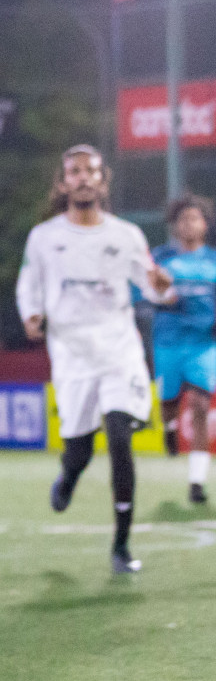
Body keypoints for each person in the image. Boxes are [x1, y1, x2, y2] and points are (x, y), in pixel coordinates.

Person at [16, 145, 171, 574]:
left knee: (120, 437)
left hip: (118, 350)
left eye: (91, 171)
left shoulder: (126, 235)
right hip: (71, 354)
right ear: (63, 183)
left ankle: (121, 545)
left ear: (103, 181)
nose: (83, 177)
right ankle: (68, 477)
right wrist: (31, 315)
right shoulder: (45, 237)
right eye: (74, 171)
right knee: (79, 450)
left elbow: (154, 287)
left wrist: (162, 286)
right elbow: (28, 285)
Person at [150, 193, 216, 503]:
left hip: (204, 344)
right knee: (169, 402)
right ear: (175, 226)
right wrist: (163, 294)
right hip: (168, 343)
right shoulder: (160, 259)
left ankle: (196, 483)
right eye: (183, 219)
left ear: (205, 224)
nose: (189, 224)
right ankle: (170, 427)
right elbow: (146, 294)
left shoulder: (213, 260)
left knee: (202, 407)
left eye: (194, 218)